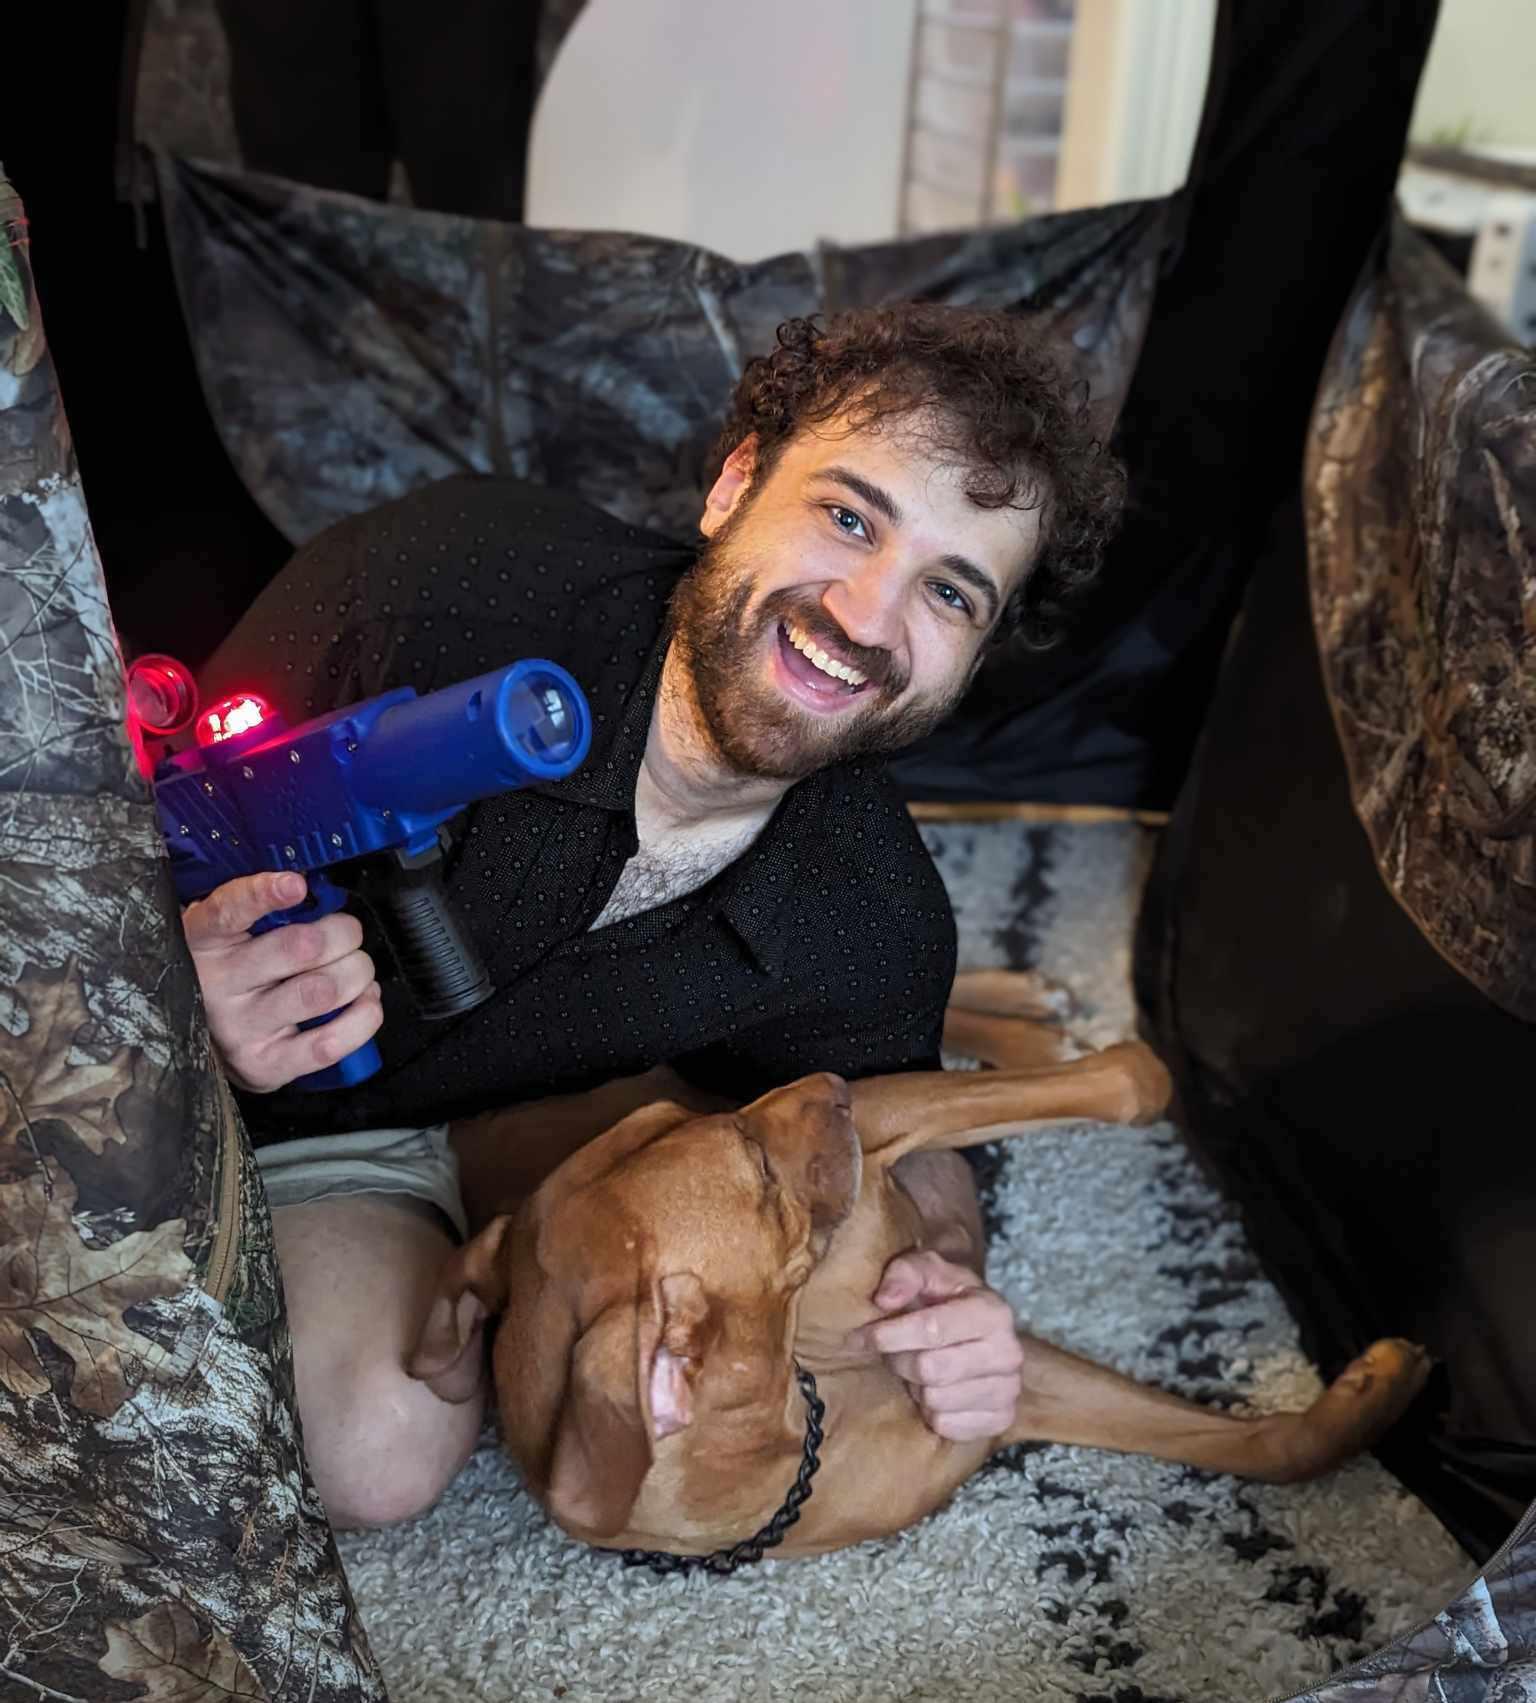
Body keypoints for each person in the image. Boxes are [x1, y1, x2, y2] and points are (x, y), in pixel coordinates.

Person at [185, 303, 1125, 1528]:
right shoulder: (431, 593)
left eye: (950, 593)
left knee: (377, 1451)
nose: (865, 616)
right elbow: (100, 841)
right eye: (848, 516)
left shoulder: (873, 910)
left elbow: (893, 1113)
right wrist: (168, 1004)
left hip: (374, 1140)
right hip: (138, 1062)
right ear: (734, 485)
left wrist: (944, 1276)